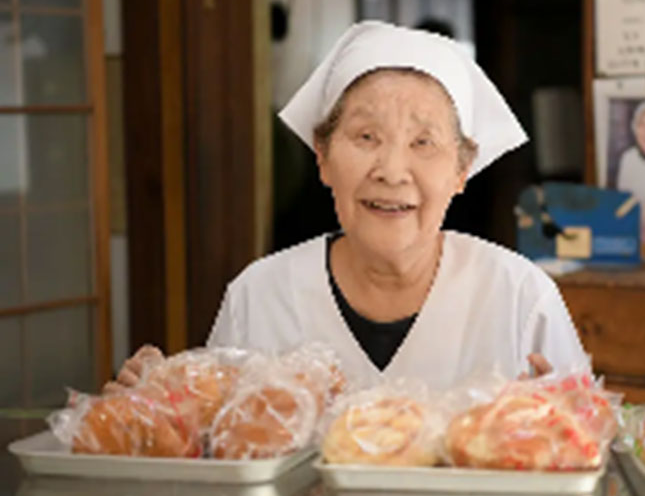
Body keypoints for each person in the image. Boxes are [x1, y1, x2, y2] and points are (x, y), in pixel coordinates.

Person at [112, 21, 587, 392]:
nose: (392, 171)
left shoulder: (521, 299)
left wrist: (559, 431)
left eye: (423, 142)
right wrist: (155, 413)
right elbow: (217, 464)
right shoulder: (259, 298)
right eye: (366, 137)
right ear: (322, 156)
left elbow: (584, 470)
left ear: (462, 169)